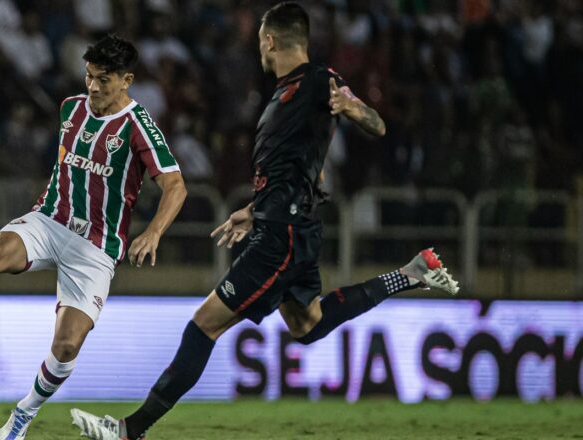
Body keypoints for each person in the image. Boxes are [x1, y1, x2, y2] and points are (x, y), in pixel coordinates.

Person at [69, 3, 459, 440]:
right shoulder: (286, 92)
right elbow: (296, 168)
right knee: (307, 325)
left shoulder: (318, 81)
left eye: (259, 42)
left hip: (282, 236)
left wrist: (353, 108)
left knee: (204, 325)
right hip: (287, 225)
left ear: (270, 41)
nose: (259, 49)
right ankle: (411, 274)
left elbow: (378, 124)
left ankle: (129, 430)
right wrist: (255, 208)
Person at [0, 35, 187, 440]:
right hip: (49, 220)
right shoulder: (70, 108)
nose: (93, 87)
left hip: (95, 247)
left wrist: (153, 232)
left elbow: (176, 186)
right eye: (89, 76)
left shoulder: (138, 127)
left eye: (104, 80)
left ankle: (23, 414)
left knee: (67, 346)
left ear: (126, 80)